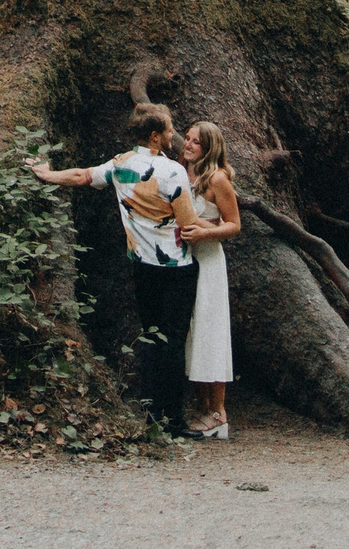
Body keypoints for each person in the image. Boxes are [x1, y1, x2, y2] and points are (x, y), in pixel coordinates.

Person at [26, 101, 197, 437]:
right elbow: (189, 224)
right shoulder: (173, 171)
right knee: (174, 341)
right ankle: (174, 419)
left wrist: (47, 174)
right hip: (177, 268)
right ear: (154, 136)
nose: (173, 133)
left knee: (151, 335)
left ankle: (152, 413)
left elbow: (82, 176)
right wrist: (223, 227)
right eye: (169, 129)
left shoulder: (121, 164)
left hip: (143, 267)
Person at [176, 120, 242, 439]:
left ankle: (219, 414)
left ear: (209, 147)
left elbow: (234, 224)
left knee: (210, 333)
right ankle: (202, 408)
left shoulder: (217, 179)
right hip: (182, 259)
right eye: (186, 139)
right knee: (191, 334)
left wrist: (204, 231)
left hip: (208, 260)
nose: (187, 145)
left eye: (195, 142)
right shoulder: (179, 172)